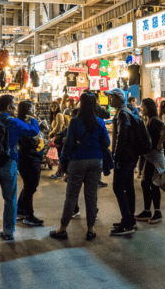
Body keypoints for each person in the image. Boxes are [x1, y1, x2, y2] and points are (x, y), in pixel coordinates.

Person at [0, 94, 40, 244]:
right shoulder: (15, 123)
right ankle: (8, 232)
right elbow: (33, 132)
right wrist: (32, 119)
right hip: (8, 164)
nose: (16, 108)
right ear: (9, 107)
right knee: (10, 200)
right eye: (14, 105)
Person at [49, 92, 110, 242]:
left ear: (81, 104)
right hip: (96, 161)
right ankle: (91, 229)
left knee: (71, 195)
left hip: (78, 161)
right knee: (91, 196)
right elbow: (107, 142)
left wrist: (63, 163)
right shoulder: (100, 122)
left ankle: (63, 229)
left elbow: (68, 145)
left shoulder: (75, 122)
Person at [105, 88, 137, 236]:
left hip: (124, 157)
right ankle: (129, 219)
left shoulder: (123, 114)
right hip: (130, 156)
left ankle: (127, 222)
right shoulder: (126, 112)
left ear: (118, 98)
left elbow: (121, 137)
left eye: (111, 98)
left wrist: (116, 157)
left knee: (118, 187)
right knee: (128, 187)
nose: (110, 101)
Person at [135, 98, 165, 224]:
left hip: (155, 156)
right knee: (145, 183)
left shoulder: (154, 120)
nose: (141, 108)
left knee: (153, 184)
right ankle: (147, 211)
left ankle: (157, 212)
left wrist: (160, 143)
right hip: (150, 155)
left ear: (148, 107)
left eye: (143, 106)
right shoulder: (149, 120)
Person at [16, 100, 48, 226]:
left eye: (33, 108)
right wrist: (40, 129)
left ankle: (20, 209)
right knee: (31, 186)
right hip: (28, 158)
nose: (33, 111)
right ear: (25, 111)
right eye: (31, 109)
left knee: (29, 186)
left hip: (31, 157)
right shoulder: (22, 124)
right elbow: (32, 141)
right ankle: (29, 215)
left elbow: (37, 141)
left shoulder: (28, 123)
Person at [49, 101, 65, 179]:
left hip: (59, 137)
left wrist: (52, 132)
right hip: (57, 136)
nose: (53, 108)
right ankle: (60, 172)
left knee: (60, 155)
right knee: (59, 155)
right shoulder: (55, 115)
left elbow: (59, 126)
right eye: (52, 106)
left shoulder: (59, 114)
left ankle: (60, 173)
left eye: (55, 106)